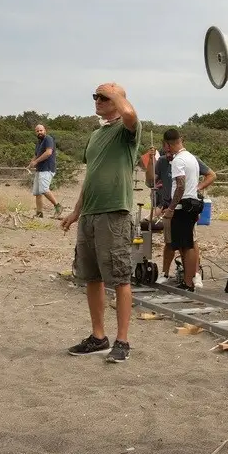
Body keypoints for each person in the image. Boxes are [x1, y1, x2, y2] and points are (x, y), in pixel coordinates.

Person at [61, 83, 141, 364]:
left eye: (103, 97)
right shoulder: (95, 136)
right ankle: (98, 337)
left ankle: (122, 340)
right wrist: (75, 213)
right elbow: (91, 177)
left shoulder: (126, 131)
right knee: (91, 277)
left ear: (118, 100)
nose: (97, 100)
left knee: (119, 278)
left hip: (115, 213)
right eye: (95, 96)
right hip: (90, 215)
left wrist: (117, 95)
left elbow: (130, 117)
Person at [147, 138, 216, 286]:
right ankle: (173, 275)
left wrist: (196, 188)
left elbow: (182, 185)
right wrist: (151, 159)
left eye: (168, 149)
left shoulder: (186, 159)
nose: (168, 153)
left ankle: (192, 277)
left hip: (182, 205)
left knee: (189, 243)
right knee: (172, 242)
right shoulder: (164, 161)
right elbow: (150, 181)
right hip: (171, 206)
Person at [161, 128, 206, 291]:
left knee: (185, 245)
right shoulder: (192, 158)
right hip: (193, 203)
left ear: (167, 144)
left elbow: (180, 185)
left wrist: (171, 207)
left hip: (183, 205)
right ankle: (190, 278)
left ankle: (188, 282)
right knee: (187, 243)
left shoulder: (179, 160)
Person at [28, 124, 63, 218]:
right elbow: (36, 155)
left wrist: (36, 162)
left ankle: (58, 206)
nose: (39, 132)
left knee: (43, 189)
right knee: (37, 192)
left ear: (45, 130)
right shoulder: (39, 143)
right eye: (37, 131)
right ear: (35, 132)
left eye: (41, 130)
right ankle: (39, 213)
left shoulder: (48, 139)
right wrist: (31, 163)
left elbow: (48, 152)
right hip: (39, 170)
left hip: (47, 168)